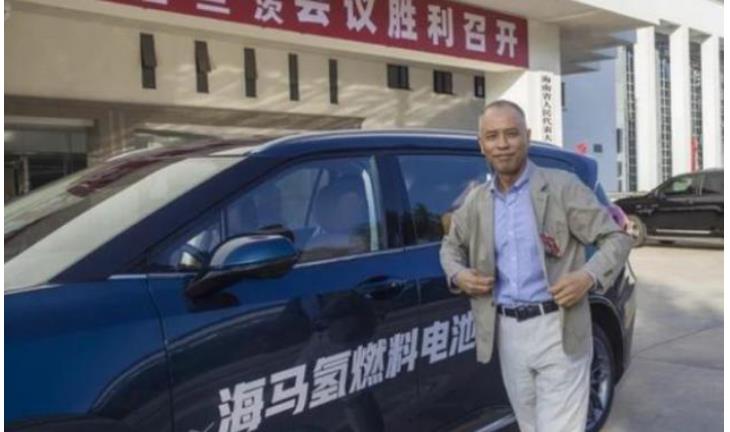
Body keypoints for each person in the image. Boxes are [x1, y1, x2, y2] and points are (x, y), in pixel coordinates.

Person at [440, 100, 632, 431]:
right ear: (481, 145)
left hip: (559, 328)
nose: (502, 144)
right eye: (492, 136)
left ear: (527, 137)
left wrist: (587, 276)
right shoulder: (477, 200)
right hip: (508, 331)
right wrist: (458, 274)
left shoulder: (561, 187)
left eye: (511, 134)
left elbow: (616, 238)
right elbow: (450, 246)